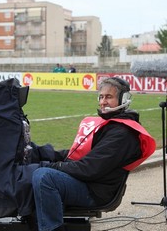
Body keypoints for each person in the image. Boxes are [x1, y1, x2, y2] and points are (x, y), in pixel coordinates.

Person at [29, 77, 156, 231]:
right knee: (39, 166)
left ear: (124, 99)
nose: (103, 102)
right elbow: (78, 154)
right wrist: (41, 153)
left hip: (95, 191)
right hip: (89, 183)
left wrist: (51, 165)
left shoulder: (123, 133)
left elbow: (88, 169)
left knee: (44, 177)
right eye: (101, 97)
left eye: (109, 97)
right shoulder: (111, 125)